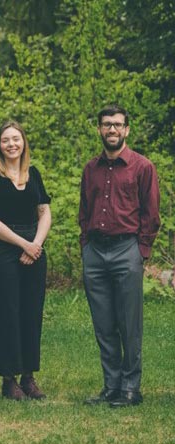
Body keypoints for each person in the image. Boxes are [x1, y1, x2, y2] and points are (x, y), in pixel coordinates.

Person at [80, 104, 160, 408]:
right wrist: (85, 246)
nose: (111, 129)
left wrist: (142, 251)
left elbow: (151, 214)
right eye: (106, 124)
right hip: (95, 253)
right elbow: (84, 210)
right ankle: (111, 386)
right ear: (99, 129)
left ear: (126, 130)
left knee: (129, 324)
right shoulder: (91, 169)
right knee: (104, 323)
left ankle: (131, 388)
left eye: (117, 125)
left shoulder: (142, 167)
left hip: (127, 249)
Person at [0, 121, 51, 401]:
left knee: (32, 313)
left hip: (35, 249)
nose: (11, 144)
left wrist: (36, 245)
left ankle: (28, 377)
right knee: (8, 313)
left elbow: (44, 212)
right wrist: (24, 244)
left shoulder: (34, 174)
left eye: (16, 139)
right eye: (6, 140)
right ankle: (9, 380)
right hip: (4, 252)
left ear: (23, 143)